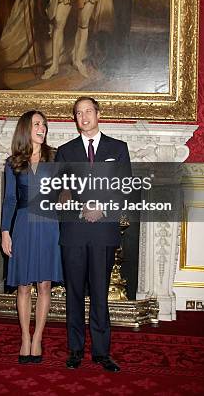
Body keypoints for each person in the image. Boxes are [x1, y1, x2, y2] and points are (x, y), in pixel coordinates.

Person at [55, 96, 131, 372]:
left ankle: (101, 352)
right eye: (78, 113)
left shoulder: (118, 148)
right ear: (74, 119)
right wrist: (75, 203)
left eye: (88, 111)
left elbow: (125, 187)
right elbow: (59, 190)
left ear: (98, 114)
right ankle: (75, 350)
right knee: (73, 293)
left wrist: (102, 207)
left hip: (103, 231)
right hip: (74, 232)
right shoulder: (65, 151)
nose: (84, 116)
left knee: (100, 293)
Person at [1, 110, 63, 364]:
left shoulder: (56, 157)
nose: (42, 128)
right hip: (24, 225)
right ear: (26, 129)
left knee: (45, 285)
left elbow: (66, 191)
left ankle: (38, 337)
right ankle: (25, 337)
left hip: (49, 225)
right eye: (37, 124)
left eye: (44, 124)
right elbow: (10, 200)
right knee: (24, 286)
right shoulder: (12, 162)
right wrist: (5, 231)